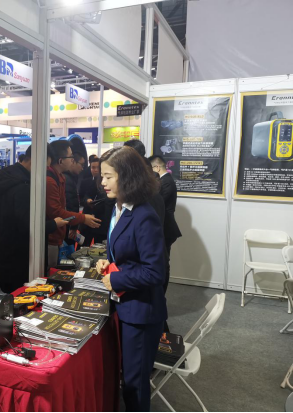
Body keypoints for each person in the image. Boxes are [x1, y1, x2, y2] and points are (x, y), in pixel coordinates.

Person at [96, 146, 167, 413]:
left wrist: (118, 280)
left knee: (135, 384)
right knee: (128, 377)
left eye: (108, 177)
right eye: (102, 176)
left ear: (126, 177)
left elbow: (155, 272)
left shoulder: (144, 215)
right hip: (126, 306)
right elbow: (126, 251)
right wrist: (109, 261)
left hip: (142, 311)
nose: (102, 182)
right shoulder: (119, 207)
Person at [0, 145, 69, 292]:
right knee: (17, 296)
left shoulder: (6, 176)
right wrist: (53, 224)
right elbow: (27, 225)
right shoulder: (23, 186)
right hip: (16, 256)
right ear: (34, 161)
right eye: (44, 167)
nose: (45, 171)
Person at [46, 140, 101, 267]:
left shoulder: (60, 177)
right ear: (60, 160)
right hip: (51, 237)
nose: (73, 160)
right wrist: (82, 218)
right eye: (70, 156)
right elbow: (56, 212)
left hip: (57, 236)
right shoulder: (50, 181)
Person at [149, 155, 182, 293]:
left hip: (167, 228)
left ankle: (162, 293)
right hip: (163, 226)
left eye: (150, 169)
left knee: (164, 262)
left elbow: (158, 202)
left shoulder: (166, 181)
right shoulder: (164, 181)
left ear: (157, 167)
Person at [63, 152, 86, 247]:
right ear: (73, 162)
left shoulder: (70, 178)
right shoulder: (67, 179)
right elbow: (70, 204)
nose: (82, 168)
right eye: (81, 164)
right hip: (67, 224)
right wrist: (73, 225)